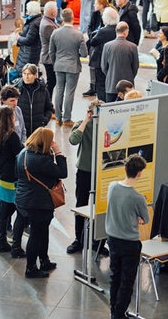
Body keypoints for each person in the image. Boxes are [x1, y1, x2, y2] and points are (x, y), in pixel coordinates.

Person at [15, 127, 67, 278]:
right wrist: (58, 153)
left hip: (23, 199)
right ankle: (31, 268)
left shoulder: (23, 153)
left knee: (42, 230)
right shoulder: (41, 160)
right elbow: (63, 172)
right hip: (38, 203)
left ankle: (44, 260)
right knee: (37, 235)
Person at [106, 154, 150, 319]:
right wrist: (136, 217)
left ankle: (113, 311)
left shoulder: (112, 186)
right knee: (127, 281)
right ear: (139, 173)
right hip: (129, 243)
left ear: (125, 169)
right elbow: (145, 219)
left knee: (115, 277)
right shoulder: (137, 197)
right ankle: (119, 314)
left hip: (112, 239)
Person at [66, 99, 104, 254]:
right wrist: (86, 121)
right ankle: (78, 239)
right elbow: (73, 140)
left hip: (102, 173)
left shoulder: (108, 127)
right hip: (85, 171)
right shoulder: (82, 124)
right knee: (81, 204)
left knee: (99, 207)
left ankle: (97, 240)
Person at [0, 105, 26, 255]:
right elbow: (19, 154)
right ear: (11, 118)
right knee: (21, 212)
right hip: (12, 180)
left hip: (1, 178)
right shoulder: (12, 135)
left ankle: (1, 241)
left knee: (3, 212)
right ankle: (16, 246)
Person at [49, 8, 87, 127]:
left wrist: (56, 62)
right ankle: (67, 119)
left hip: (59, 65)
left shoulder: (55, 33)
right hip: (73, 66)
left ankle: (58, 118)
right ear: (72, 18)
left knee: (59, 91)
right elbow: (84, 53)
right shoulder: (78, 34)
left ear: (62, 18)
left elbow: (51, 52)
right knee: (69, 93)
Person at [101, 21, 139, 103]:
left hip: (111, 84)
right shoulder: (133, 47)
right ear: (125, 32)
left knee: (110, 110)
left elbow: (103, 66)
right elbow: (135, 67)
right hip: (128, 87)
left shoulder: (107, 46)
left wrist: (110, 75)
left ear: (116, 31)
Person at [88, 7, 118, 102]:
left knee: (101, 85)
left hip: (100, 61)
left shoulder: (103, 31)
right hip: (113, 61)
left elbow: (93, 42)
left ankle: (102, 104)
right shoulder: (117, 29)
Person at [16, 64, 53, 137]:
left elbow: (49, 108)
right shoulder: (17, 90)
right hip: (21, 130)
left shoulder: (43, 90)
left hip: (38, 131)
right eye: (24, 74)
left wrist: (44, 120)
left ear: (35, 75)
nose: (26, 77)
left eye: (29, 74)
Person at [84, 0, 110, 97]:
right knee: (92, 65)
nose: (94, 5)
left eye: (96, 3)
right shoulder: (95, 14)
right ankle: (92, 85)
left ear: (101, 5)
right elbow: (90, 27)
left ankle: (100, 85)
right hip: (94, 41)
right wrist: (92, 35)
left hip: (102, 44)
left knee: (101, 65)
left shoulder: (108, 14)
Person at [15, 1, 43, 74]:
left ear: (30, 11)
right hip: (30, 52)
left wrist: (18, 38)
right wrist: (21, 34)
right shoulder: (37, 20)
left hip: (28, 53)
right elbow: (29, 34)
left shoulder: (33, 23)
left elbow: (28, 40)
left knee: (25, 72)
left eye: (27, 10)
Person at [39, 1, 59, 98]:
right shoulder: (48, 25)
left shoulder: (49, 21)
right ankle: (47, 100)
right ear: (53, 13)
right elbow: (57, 39)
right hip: (49, 57)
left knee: (52, 81)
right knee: (51, 82)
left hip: (49, 56)